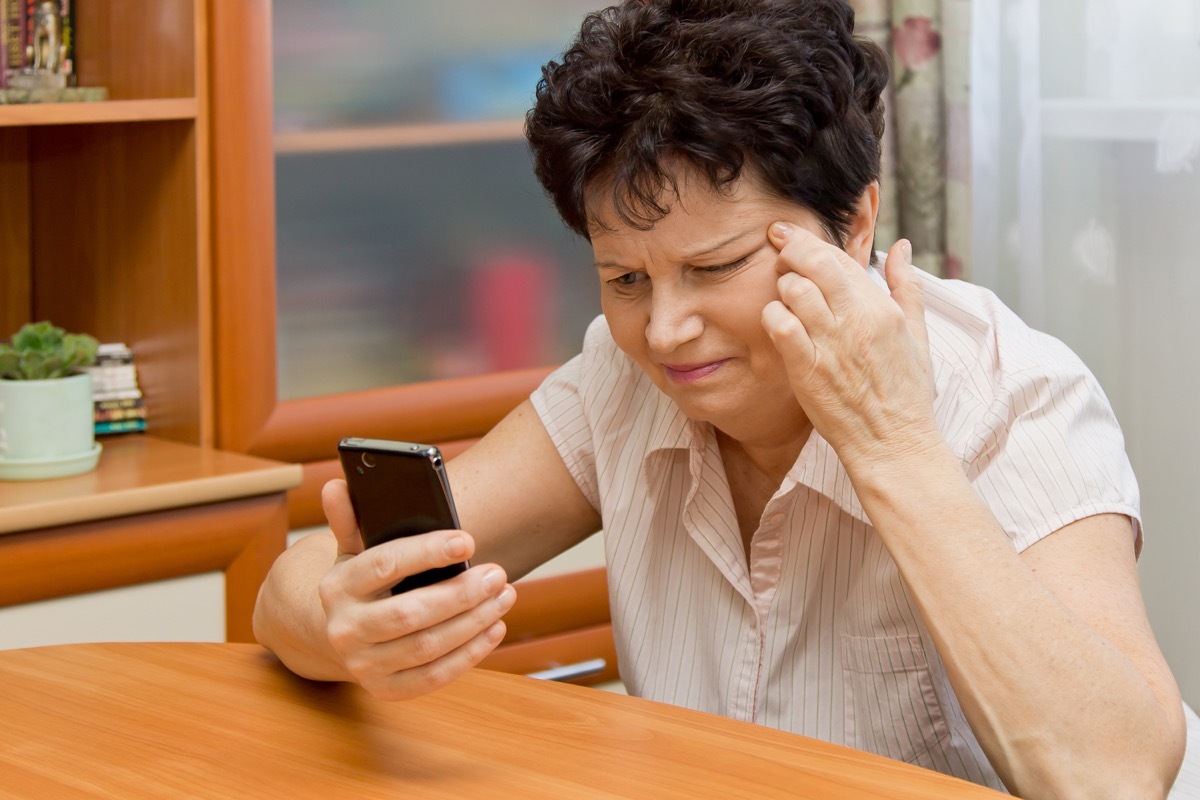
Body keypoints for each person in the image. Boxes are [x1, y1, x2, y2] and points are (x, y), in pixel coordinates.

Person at [253, 1, 1196, 796]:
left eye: (718, 266)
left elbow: (1113, 774)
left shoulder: (1010, 391)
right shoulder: (623, 380)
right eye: (624, 279)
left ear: (855, 219)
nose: (666, 332)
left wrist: (893, 442)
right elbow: (292, 590)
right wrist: (345, 627)